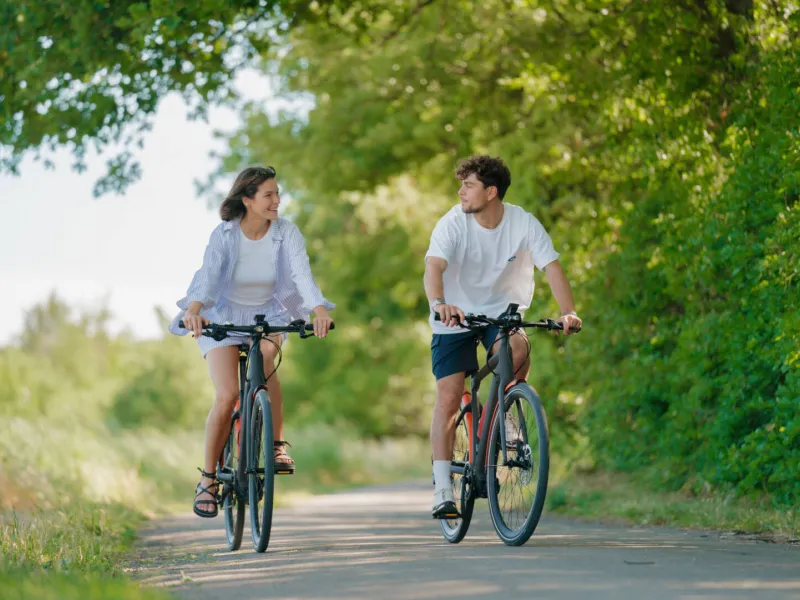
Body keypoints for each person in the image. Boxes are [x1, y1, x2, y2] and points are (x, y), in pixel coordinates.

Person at [168, 165, 334, 518]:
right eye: (268, 195)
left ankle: (275, 445)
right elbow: (208, 274)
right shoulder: (226, 234)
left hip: (268, 314)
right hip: (223, 316)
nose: (277, 201)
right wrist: (194, 311)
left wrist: (319, 310)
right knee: (228, 394)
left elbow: (302, 275)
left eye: (278, 194)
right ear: (247, 199)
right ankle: (208, 480)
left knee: (267, 361)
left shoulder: (286, 233)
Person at [423, 155, 582, 518]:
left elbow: (552, 267)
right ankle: (443, 488)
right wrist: (439, 303)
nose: (461, 192)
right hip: (454, 315)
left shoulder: (523, 223)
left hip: (501, 314)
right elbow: (434, 266)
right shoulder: (453, 222)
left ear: (491, 192)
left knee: (517, 349)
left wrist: (568, 311)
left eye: (469, 185)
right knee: (449, 396)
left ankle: (507, 417)